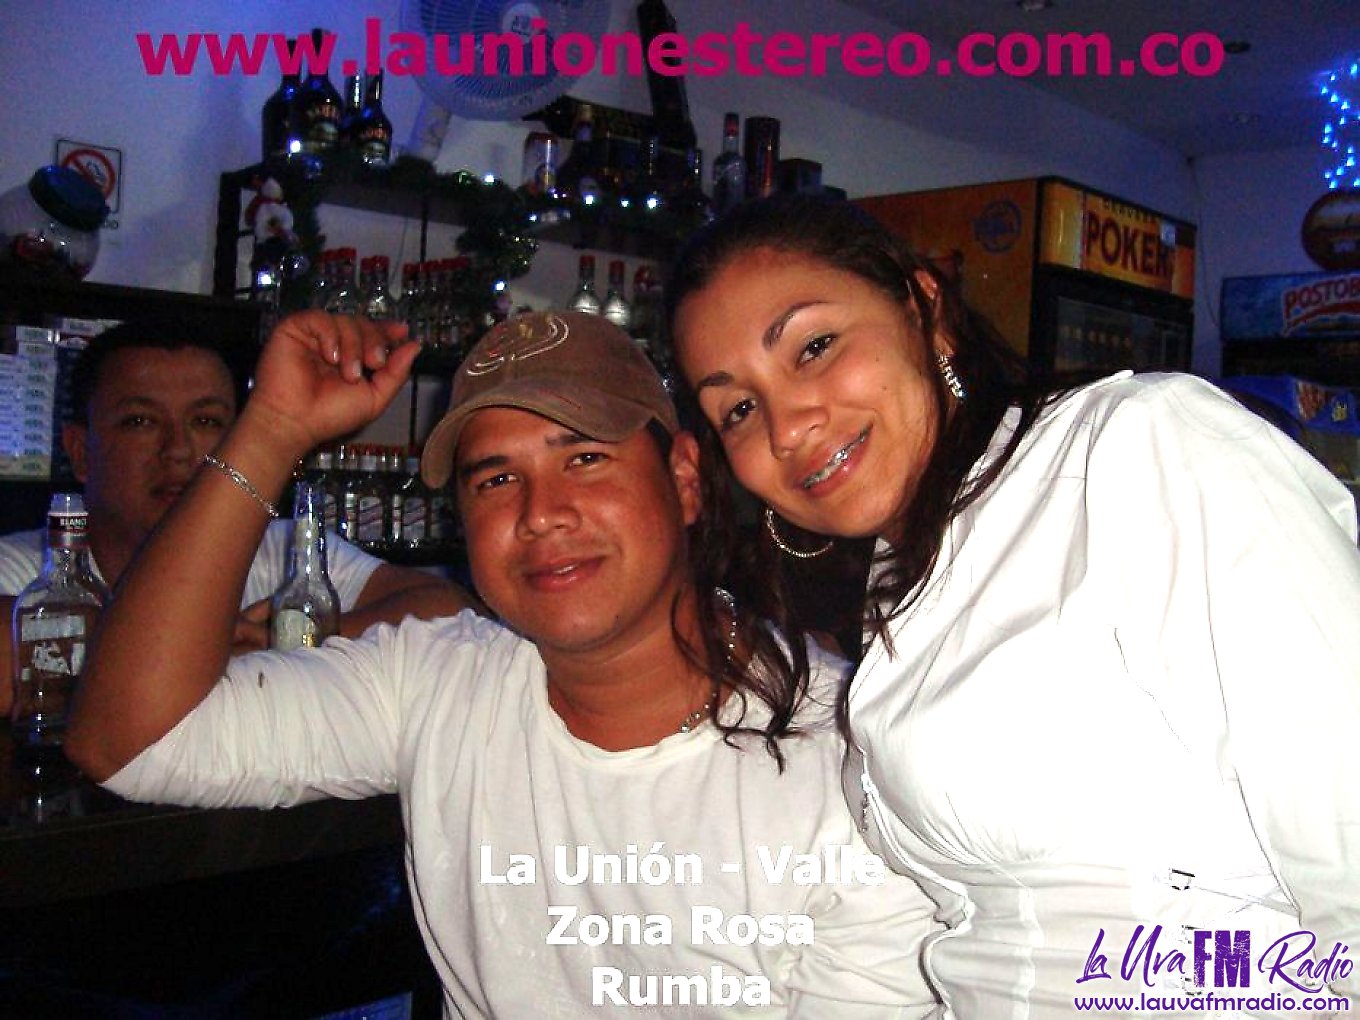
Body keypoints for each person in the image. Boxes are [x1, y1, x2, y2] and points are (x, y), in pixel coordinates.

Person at [66, 310, 942, 1017]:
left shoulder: (858, 768)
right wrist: (271, 431)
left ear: (682, 479)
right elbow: (127, 740)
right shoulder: (439, 679)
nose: (540, 513)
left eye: (585, 458)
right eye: (494, 480)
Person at [665, 193, 1360, 1017]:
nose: (786, 428)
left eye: (814, 347)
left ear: (924, 308)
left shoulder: (1136, 446)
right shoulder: (903, 582)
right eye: (739, 410)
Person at [0, 320, 470, 716]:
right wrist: (206, 647)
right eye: (140, 422)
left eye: (205, 422)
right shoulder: (26, 567)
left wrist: (292, 636)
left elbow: (449, 610)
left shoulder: (281, 551)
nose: (178, 450)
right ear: (80, 452)